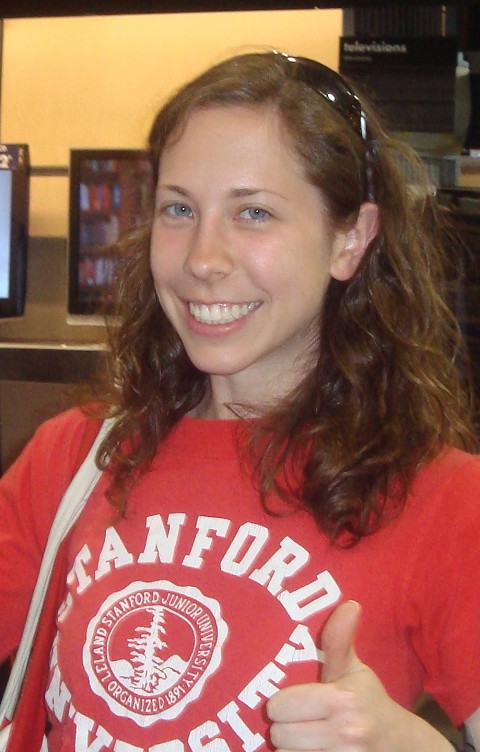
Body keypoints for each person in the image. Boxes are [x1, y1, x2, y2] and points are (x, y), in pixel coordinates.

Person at [0, 50, 479, 752]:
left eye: (253, 213)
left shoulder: (446, 501)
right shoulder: (72, 458)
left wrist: (409, 747)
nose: (203, 258)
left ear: (351, 239)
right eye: (179, 209)